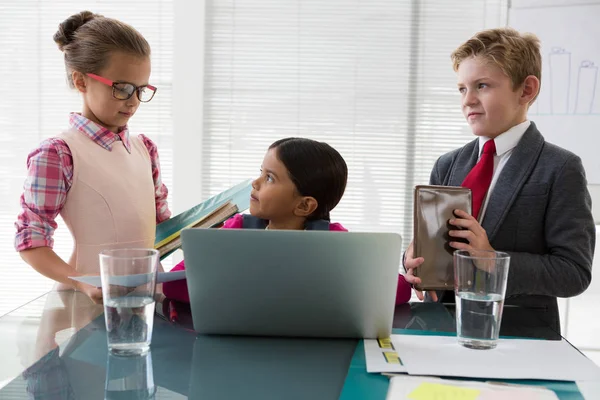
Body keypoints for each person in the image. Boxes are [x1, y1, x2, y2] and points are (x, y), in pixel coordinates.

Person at [403, 28, 595, 333]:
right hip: (441, 329)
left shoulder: (560, 168)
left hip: (520, 335)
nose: (468, 100)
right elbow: (435, 253)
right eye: (462, 89)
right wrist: (414, 261)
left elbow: (574, 273)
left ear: (526, 90)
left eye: (482, 85)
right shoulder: (448, 164)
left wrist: (492, 259)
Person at [14, 11, 171, 304]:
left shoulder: (144, 149)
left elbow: (161, 228)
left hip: (148, 299)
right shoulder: (59, 154)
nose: (134, 100)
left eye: (141, 89)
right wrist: (82, 282)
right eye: (122, 88)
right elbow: (31, 241)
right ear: (81, 81)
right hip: (87, 300)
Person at [164, 137, 413, 304]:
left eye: (270, 178)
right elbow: (172, 286)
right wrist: (211, 250)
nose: (256, 182)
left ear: (305, 205)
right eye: (261, 172)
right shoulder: (238, 230)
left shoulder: (333, 242)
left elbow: (399, 290)